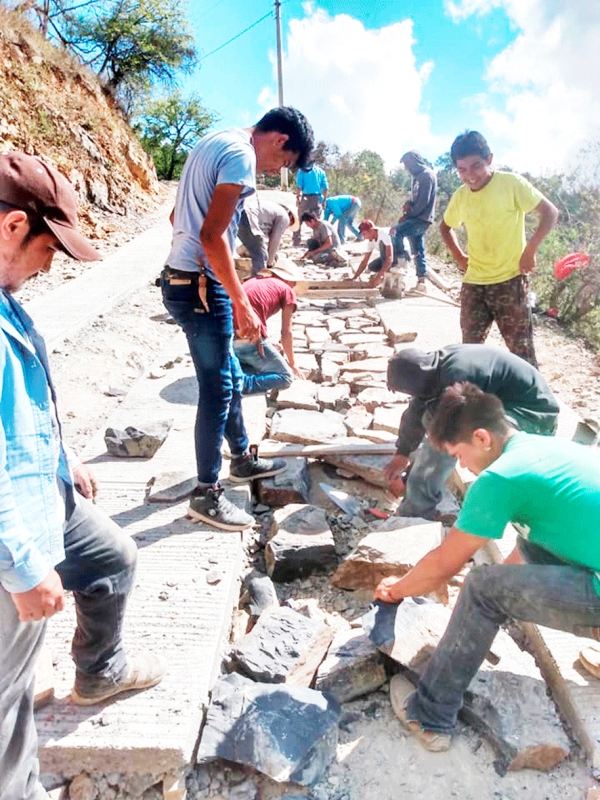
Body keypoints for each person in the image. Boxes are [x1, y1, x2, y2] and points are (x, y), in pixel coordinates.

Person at [0, 153, 167, 800]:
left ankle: (99, 669)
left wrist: (60, 455)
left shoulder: (8, 299)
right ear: (14, 226)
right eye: (50, 248)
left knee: (113, 558)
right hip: (13, 534)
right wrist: (22, 567)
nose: (52, 267)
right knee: (9, 704)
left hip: (43, 494)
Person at [375, 382, 600, 753]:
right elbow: (531, 547)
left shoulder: (500, 478)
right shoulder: (544, 447)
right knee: (524, 549)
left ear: (481, 438)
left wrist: (396, 589)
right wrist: (498, 591)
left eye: (459, 455)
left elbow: (444, 565)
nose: (461, 466)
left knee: (481, 588)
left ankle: (429, 715)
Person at [162, 107, 314, 531]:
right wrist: (240, 301)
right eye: (283, 162)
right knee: (218, 387)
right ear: (280, 140)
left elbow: (178, 219)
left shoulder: (213, 141)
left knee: (226, 376)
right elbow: (211, 236)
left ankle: (243, 458)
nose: (274, 170)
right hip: (200, 289)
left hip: (185, 280)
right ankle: (207, 494)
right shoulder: (241, 155)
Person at [383, 344, 559, 522]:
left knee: (451, 436)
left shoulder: (458, 376)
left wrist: (412, 483)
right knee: (431, 418)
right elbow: (416, 412)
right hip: (504, 405)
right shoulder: (435, 368)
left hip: (533, 417)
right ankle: (420, 499)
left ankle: (416, 512)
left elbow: (446, 436)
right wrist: (402, 454)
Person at [441, 131, 559, 367]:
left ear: (490, 159)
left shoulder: (511, 184)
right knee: (468, 351)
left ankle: (532, 400)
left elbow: (550, 212)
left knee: (521, 352)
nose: (470, 176)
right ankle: (472, 399)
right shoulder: (461, 196)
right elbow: (445, 227)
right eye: (462, 170)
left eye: (476, 166)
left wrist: (530, 250)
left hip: (510, 280)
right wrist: (459, 256)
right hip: (475, 284)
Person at [233, 256, 306, 394]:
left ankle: (238, 366)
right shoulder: (287, 290)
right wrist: (292, 364)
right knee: (285, 376)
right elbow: (286, 332)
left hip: (226, 337)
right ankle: (243, 384)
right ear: (289, 280)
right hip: (246, 340)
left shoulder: (253, 281)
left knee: (268, 352)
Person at [393, 151, 437, 293]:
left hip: (421, 218)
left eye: (407, 164)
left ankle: (400, 263)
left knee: (396, 232)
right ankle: (421, 282)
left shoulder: (426, 175)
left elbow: (423, 202)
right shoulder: (418, 177)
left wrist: (408, 215)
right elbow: (416, 200)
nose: (407, 168)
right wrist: (408, 204)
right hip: (416, 217)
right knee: (418, 250)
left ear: (414, 160)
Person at [237, 195, 296, 275]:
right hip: (249, 218)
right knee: (261, 256)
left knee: (255, 250)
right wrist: (269, 263)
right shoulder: (284, 217)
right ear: (291, 217)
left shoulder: (273, 211)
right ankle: (258, 282)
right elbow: (275, 240)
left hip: (239, 216)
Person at [293, 162, 328, 246]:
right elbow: (325, 188)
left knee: (300, 219)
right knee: (316, 220)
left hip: (306, 198)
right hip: (317, 198)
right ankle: (318, 240)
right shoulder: (321, 172)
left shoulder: (302, 171)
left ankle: (296, 241)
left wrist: (297, 198)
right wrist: (324, 200)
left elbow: (299, 186)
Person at [352, 219, 396, 286]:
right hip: (387, 256)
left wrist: (379, 277)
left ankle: (386, 275)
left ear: (371, 230)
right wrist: (355, 277)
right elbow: (364, 261)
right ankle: (384, 273)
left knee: (382, 245)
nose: (364, 237)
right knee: (372, 266)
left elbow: (389, 258)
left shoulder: (383, 234)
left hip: (398, 254)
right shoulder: (371, 241)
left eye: (364, 234)